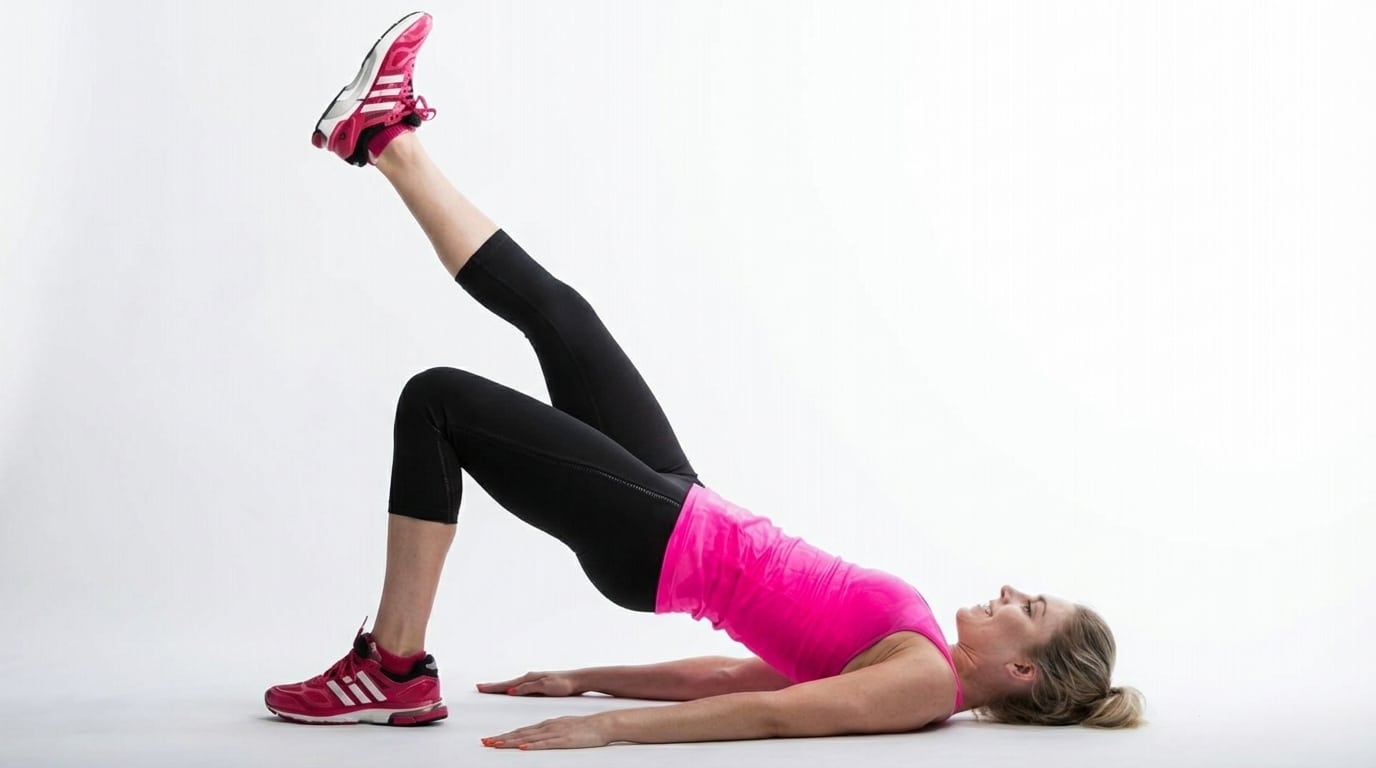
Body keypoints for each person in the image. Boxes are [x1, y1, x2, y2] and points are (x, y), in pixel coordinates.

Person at [265, 12, 1145, 749]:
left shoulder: (919, 686)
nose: (1006, 592)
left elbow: (767, 715)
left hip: (658, 537)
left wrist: (605, 734)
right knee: (565, 318)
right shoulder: (925, 661)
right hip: (679, 502)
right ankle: (383, 137)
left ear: (1023, 669)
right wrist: (584, 680)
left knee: (438, 401)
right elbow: (727, 673)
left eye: (1026, 607)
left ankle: (394, 666)